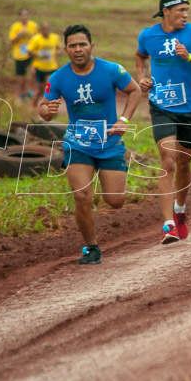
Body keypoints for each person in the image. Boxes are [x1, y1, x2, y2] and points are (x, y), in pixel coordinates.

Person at [39, 24, 141, 264]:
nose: (78, 49)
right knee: (82, 196)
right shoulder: (58, 77)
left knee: (115, 201)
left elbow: (134, 90)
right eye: (72, 45)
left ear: (91, 46)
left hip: (109, 142)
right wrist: (48, 110)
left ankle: (115, 175)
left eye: (82, 44)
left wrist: (124, 119)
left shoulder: (111, 69)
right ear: (65, 49)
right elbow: (44, 110)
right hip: (78, 143)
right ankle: (91, 247)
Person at [136, 0, 191, 244]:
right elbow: (140, 55)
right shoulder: (148, 35)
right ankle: (168, 224)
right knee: (168, 161)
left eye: (187, 11)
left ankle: (180, 210)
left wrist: (190, 57)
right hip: (161, 106)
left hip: (189, 109)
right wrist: (141, 76)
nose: (185, 15)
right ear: (166, 12)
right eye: (181, 10)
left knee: (183, 164)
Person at [27, 21, 64, 107]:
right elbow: (29, 52)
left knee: (49, 87)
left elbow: (59, 49)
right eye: (44, 29)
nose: (46, 30)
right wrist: (40, 55)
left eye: (47, 28)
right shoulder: (36, 39)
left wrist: (58, 52)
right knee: (41, 89)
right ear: (41, 29)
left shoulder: (54, 38)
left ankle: (50, 106)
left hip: (51, 67)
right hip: (40, 67)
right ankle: (35, 102)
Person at [8, 9, 39, 102]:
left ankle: (31, 91)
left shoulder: (33, 25)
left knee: (33, 72)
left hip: (30, 54)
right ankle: (22, 93)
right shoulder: (15, 27)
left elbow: (38, 38)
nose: (24, 17)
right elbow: (12, 41)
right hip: (19, 55)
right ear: (19, 17)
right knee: (22, 76)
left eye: (26, 15)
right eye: (23, 15)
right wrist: (19, 35)